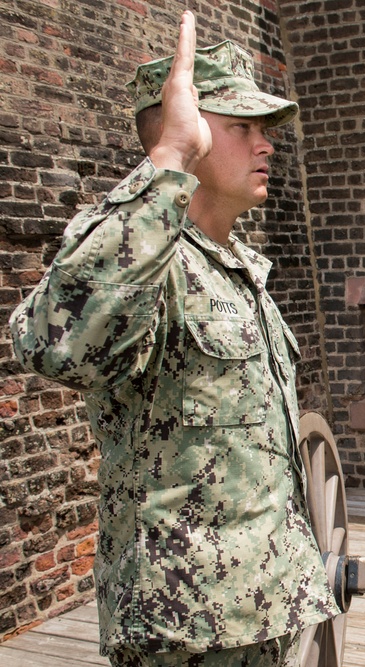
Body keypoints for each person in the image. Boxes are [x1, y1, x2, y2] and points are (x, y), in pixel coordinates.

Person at [9, 12, 338, 666]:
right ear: (184, 131)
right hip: (184, 630)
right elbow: (54, 341)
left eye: (265, 128)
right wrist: (170, 159)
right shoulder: (147, 262)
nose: (266, 143)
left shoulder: (240, 268)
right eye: (242, 127)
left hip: (265, 608)